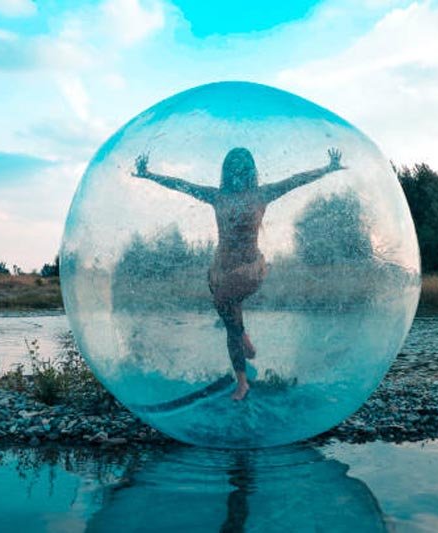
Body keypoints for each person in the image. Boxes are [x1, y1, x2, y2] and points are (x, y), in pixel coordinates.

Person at [132, 147, 345, 400]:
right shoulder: (217, 196)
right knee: (228, 322)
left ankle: (242, 341)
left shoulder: (262, 194)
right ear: (226, 170)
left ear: (250, 171)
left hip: (250, 269)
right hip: (221, 269)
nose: (237, 172)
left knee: (222, 302)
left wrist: (328, 168)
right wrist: (149, 174)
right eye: (233, 167)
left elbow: (296, 181)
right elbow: (181, 184)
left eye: (242, 168)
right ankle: (242, 378)